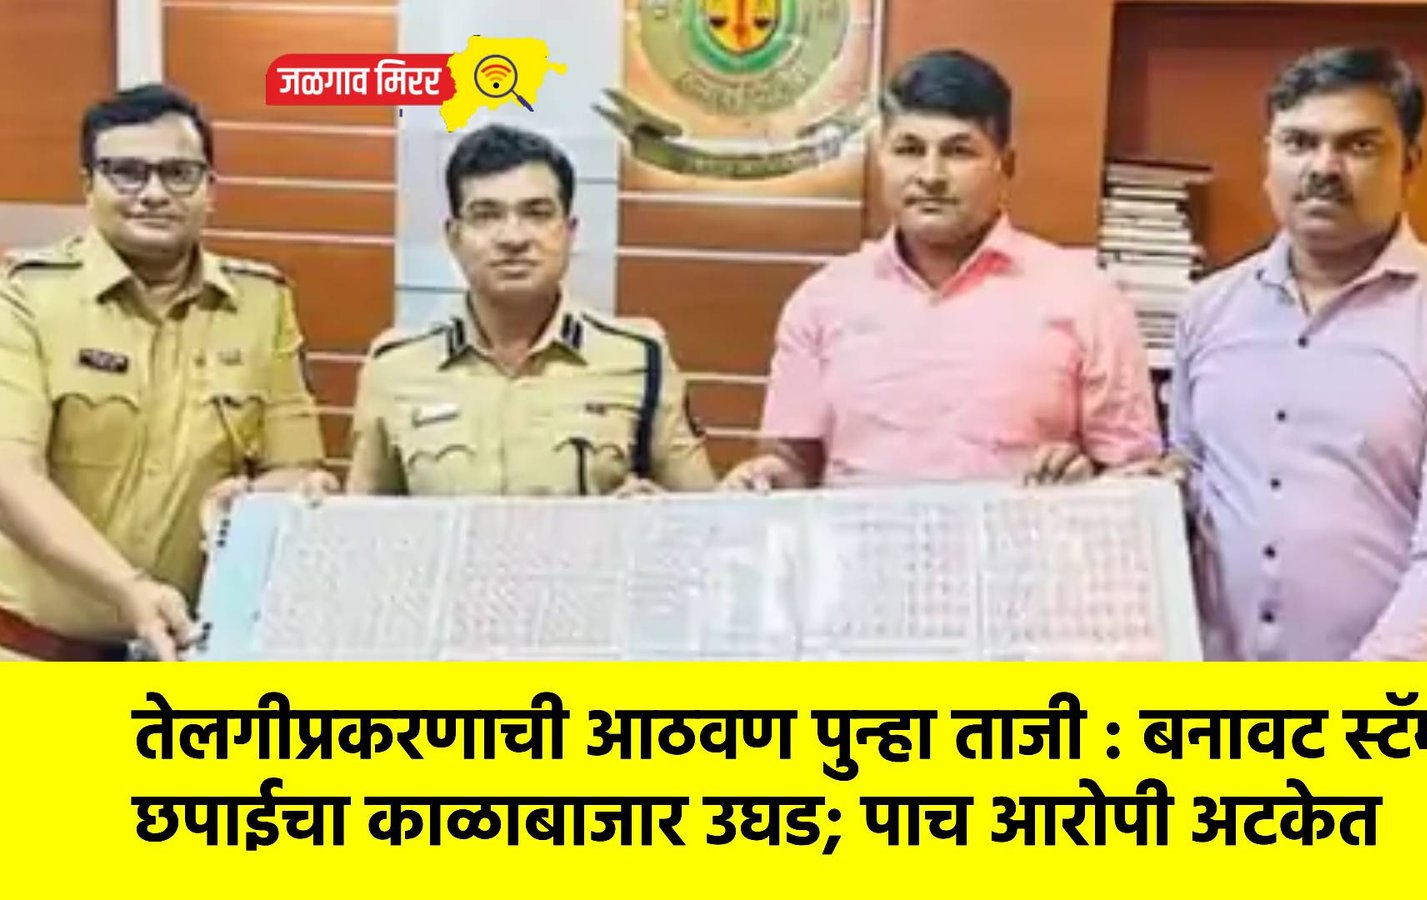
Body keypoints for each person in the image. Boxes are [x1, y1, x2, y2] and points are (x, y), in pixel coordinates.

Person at [1163, 46, 1427, 661]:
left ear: (1409, 164)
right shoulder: (1209, 310)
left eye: (1359, 146)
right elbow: (1194, 477)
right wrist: (1127, 495)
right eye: (1298, 142)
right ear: (1268, 156)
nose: (1323, 167)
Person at [720, 49, 1160, 492]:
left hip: (1025, 537)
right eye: (909, 150)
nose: (931, 175)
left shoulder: (1087, 299)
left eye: (959, 151)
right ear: (881, 158)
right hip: (857, 538)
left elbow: (1133, 477)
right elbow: (792, 463)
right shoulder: (823, 300)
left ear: (1005, 166)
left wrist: (1085, 484)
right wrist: (765, 478)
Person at [0, 84, 332, 661]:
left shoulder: (262, 304)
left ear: (210, 189)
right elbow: (10, 477)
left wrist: (253, 501)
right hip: (36, 655)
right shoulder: (27, 297)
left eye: (179, 173)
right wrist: (128, 590)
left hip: (191, 651)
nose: (154, 193)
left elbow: (299, 469)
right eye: (127, 173)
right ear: (89, 186)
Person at [345, 125, 714, 497]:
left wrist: (666, 512)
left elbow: (701, 513)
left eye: (537, 214)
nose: (513, 238)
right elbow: (360, 522)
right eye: (486, 215)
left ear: (569, 232)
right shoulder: (394, 368)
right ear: (454, 238)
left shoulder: (640, 357)